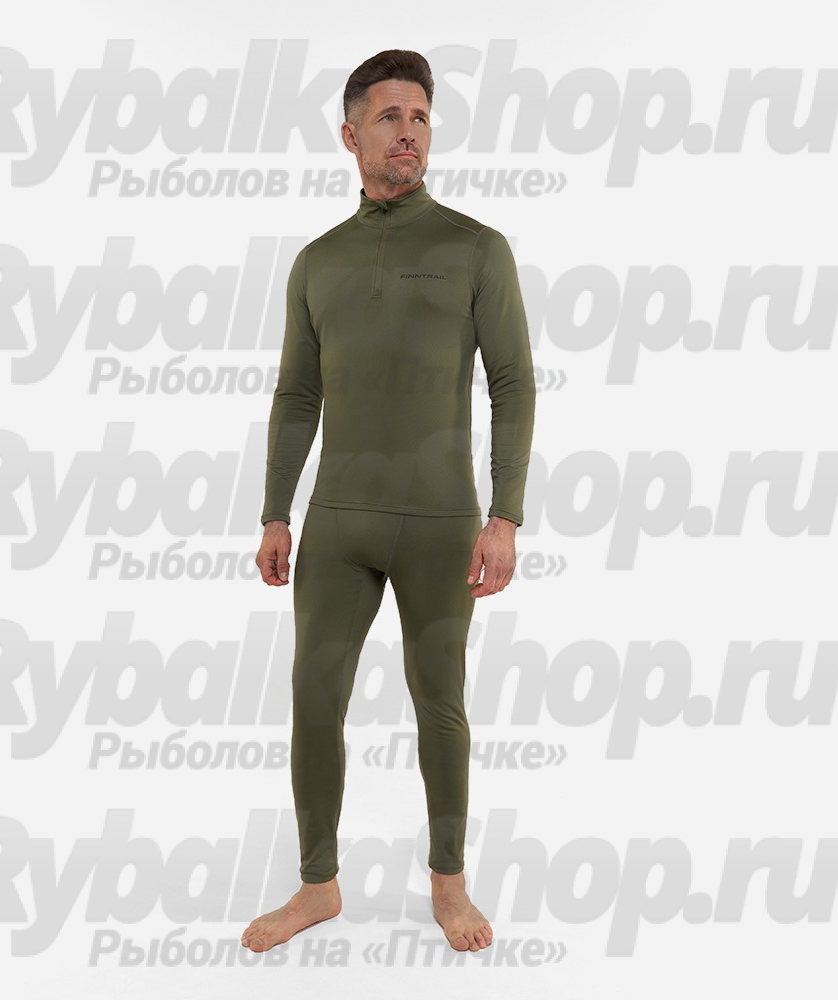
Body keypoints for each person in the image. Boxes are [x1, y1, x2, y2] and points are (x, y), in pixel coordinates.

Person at [244, 49, 535, 954]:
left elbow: (513, 382)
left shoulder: (476, 248)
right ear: (350, 135)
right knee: (312, 695)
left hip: (442, 524)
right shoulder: (317, 261)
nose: (409, 133)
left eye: (420, 117)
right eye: (389, 117)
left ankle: (449, 884)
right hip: (339, 524)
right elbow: (297, 394)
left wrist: (506, 514)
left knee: (439, 702)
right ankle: (318, 886)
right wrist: (276, 511)